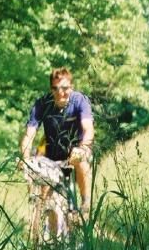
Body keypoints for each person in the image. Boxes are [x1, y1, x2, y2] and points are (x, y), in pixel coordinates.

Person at [18, 67, 94, 213]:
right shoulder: (42, 103)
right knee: (41, 183)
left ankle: (85, 205)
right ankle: (38, 226)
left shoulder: (79, 100)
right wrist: (25, 158)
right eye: (55, 88)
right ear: (50, 88)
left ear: (71, 87)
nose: (60, 93)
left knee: (82, 160)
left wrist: (83, 147)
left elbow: (88, 129)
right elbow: (29, 134)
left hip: (77, 149)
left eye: (64, 88)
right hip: (52, 151)